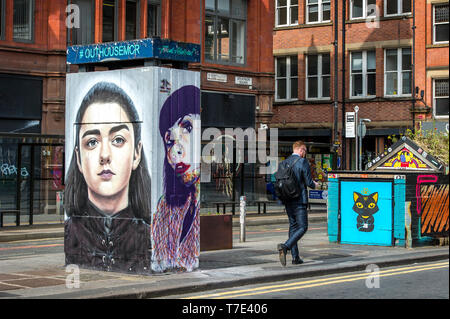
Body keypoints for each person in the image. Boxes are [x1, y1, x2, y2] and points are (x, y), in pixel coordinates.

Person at [64, 81, 152, 273]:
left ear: (136, 154)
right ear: (78, 158)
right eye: (92, 142)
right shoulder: (69, 232)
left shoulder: (152, 236)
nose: (104, 155)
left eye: (118, 140)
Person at [152, 85, 201, 272]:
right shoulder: (164, 208)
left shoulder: (194, 203)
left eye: (187, 128)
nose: (175, 150)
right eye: (169, 141)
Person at [277, 141, 318, 266]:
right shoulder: (302, 162)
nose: (305, 153)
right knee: (303, 227)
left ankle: (295, 258)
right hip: (299, 199)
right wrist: (315, 185)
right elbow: (308, 181)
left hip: (287, 199)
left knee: (293, 226)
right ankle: (286, 246)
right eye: (305, 151)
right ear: (301, 150)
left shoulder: (283, 162)